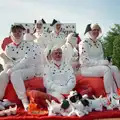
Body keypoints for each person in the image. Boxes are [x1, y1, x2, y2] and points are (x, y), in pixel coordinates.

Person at [0, 24, 44, 110]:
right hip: (13, 68)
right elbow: (9, 61)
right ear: (11, 33)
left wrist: (12, 69)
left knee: (15, 74)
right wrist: (7, 66)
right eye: (15, 31)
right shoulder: (8, 47)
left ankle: (24, 101)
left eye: (19, 31)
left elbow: (26, 60)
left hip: (28, 69)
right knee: (2, 74)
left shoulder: (29, 45)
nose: (17, 33)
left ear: (23, 32)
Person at [79, 23, 120, 97]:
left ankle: (118, 91)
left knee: (115, 68)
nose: (96, 32)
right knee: (106, 69)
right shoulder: (84, 42)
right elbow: (85, 61)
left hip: (98, 66)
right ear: (89, 31)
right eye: (94, 30)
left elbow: (101, 58)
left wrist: (107, 62)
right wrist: (102, 62)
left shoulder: (99, 43)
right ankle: (110, 95)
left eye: (98, 30)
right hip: (86, 68)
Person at [43, 33, 78, 100]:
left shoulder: (67, 65)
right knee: (62, 100)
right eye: (56, 53)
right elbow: (47, 82)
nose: (58, 55)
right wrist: (59, 89)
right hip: (54, 92)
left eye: (60, 53)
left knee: (76, 99)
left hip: (67, 90)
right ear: (52, 55)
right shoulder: (48, 66)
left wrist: (67, 88)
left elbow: (72, 78)